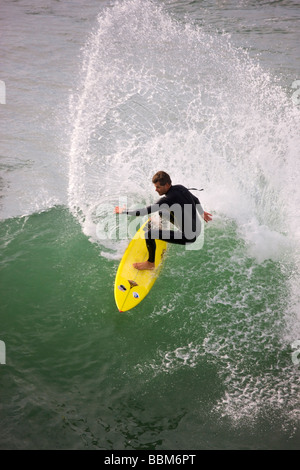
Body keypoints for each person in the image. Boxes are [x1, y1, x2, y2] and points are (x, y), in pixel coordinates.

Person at [114, 171, 212, 270]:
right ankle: (161, 227)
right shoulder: (180, 188)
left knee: (148, 234)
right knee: (161, 212)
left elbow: (142, 212)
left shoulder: (167, 200)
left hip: (188, 236)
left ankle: (150, 263)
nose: (156, 190)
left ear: (167, 185)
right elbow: (196, 199)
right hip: (197, 228)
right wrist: (202, 213)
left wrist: (124, 211)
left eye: (158, 187)